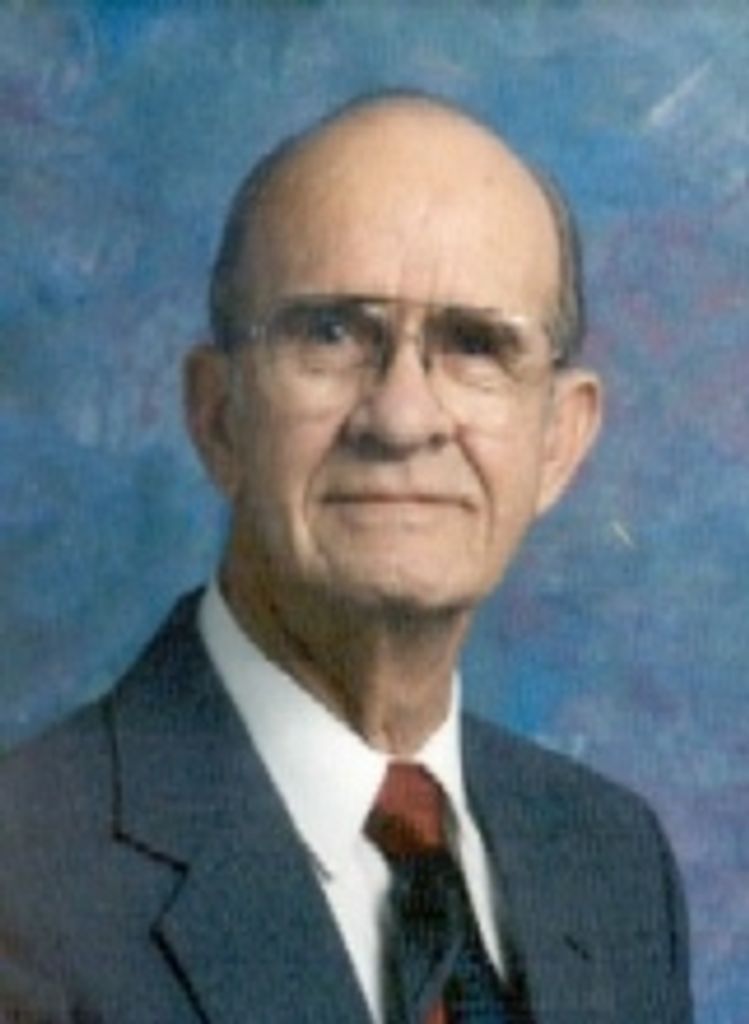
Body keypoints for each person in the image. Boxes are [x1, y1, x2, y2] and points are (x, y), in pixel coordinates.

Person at [0, 93, 693, 1023]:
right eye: (330, 334)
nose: (402, 418)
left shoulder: (609, 862)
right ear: (217, 414)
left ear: (558, 443)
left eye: (475, 345)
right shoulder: (28, 878)